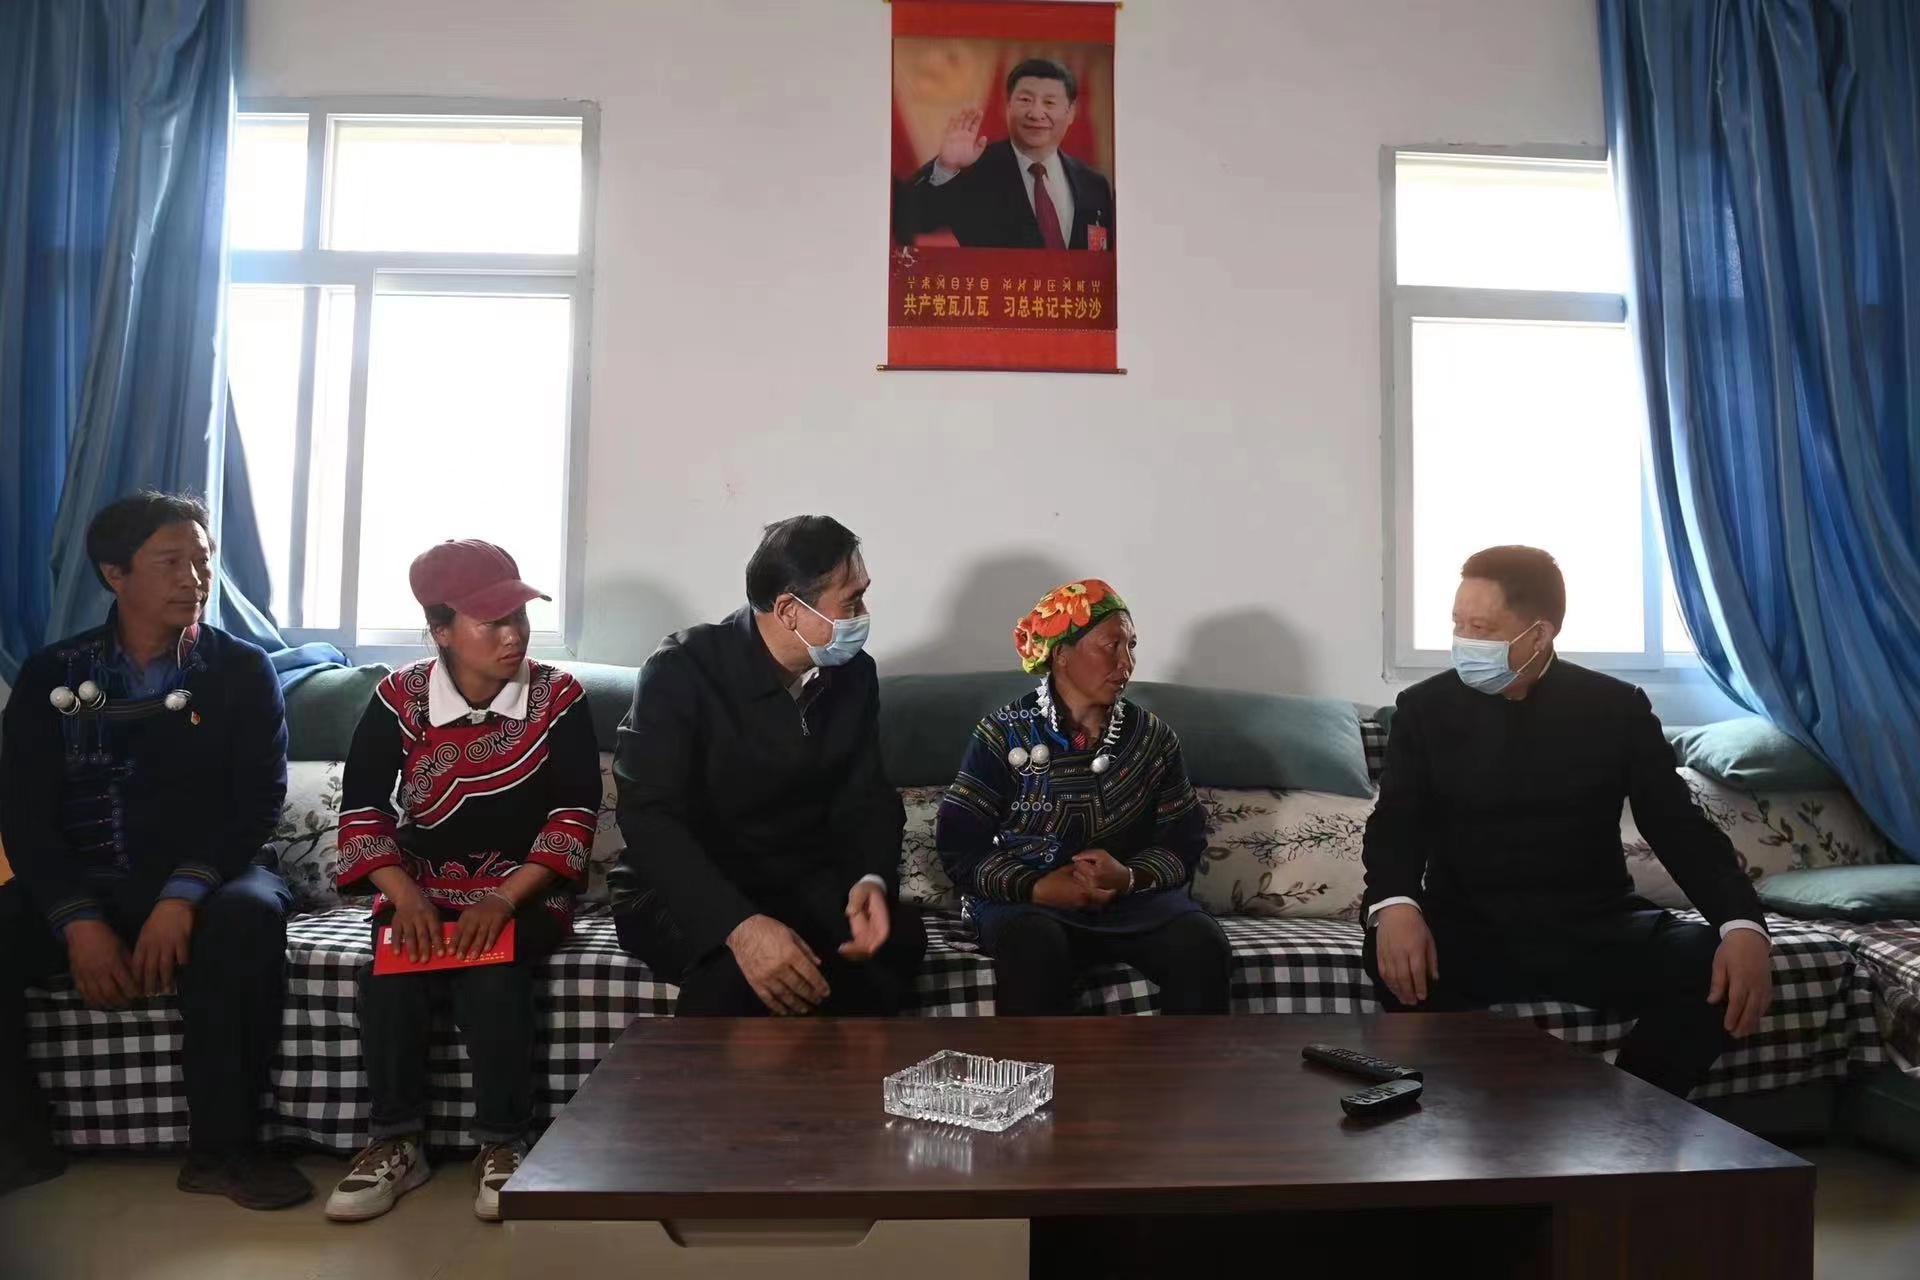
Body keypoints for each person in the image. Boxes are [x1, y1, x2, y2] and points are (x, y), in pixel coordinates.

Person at [1362, 546, 1774, 1097]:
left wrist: (1742, 925)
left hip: (1592, 927)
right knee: (1390, 947)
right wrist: (1395, 905)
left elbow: (1678, 826)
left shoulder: (1616, 708)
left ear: (1539, 634)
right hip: (1468, 929)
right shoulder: (1422, 709)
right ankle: (1459, 1114)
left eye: (1481, 628)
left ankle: (1635, 1113)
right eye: (1458, 624)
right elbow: (1396, 826)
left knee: (1707, 962)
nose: (1463, 641)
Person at [0, 493, 308, 1207]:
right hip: (92, 880)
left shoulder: (240, 670)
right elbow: (25, 815)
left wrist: (182, 895)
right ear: (115, 574)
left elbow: (255, 801)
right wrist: (78, 920)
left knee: (247, 919)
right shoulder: (51, 675)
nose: (193, 579)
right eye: (171, 562)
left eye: (202, 560)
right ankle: (17, 1145)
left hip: (213, 877)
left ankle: (225, 1153)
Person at [323, 541, 600, 1224]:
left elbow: (573, 815)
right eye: (491, 622)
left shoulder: (560, 697)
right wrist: (406, 897)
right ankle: (395, 1142)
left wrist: (503, 899)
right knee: (389, 972)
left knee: (491, 969)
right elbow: (362, 810)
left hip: (527, 889)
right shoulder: (397, 698)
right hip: (422, 886)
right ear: (440, 631)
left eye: (518, 617)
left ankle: (503, 1143)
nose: (513, 635)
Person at [609, 515, 926, 1017]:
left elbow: (866, 795)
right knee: (739, 979)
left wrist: (869, 879)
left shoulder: (854, 675)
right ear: (789, 610)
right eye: (851, 602)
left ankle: (845, 1072)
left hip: (792, 877)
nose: (863, 615)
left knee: (896, 944)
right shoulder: (682, 668)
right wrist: (739, 927)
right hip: (685, 885)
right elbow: (648, 815)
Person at [936, 581, 1232, 1016]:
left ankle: (1185, 1065)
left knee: (1201, 944)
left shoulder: (1154, 739)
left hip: (1130, 902)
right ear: (1061, 653)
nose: (1126, 663)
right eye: (1111, 646)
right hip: (1025, 905)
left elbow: (1183, 842)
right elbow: (960, 846)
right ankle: (1036, 1066)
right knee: (1036, 948)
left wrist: (1127, 877)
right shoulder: (1003, 733)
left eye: (1131, 646)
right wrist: (1037, 887)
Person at [893, 58, 1115, 251]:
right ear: (1007, 106)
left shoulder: (1094, 185)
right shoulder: (974, 171)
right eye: (1025, 100)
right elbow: (908, 221)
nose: (1036, 113)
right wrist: (946, 166)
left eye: (1049, 102)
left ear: (1071, 112)